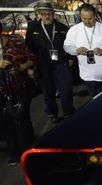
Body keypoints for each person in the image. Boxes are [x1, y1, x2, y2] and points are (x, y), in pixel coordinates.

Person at [26, 1, 75, 123]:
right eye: (44, 14)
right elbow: (29, 48)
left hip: (61, 64)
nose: (47, 16)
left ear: (53, 14)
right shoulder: (33, 29)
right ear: (39, 14)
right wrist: (30, 67)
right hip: (43, 65)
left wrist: (70, 58)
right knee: (48, 92)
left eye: (49, 13)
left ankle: (69, 112)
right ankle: (52, 114)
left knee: (66, 91)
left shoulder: (63, 28)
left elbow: (70, 45)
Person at [63, 3, 102, 98]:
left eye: (90, 18)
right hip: (87, 75)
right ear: (80, 16)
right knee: (93, 100)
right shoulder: (74, 30)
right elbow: (67, 47)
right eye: (84, 18)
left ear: (95, 15)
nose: (87, 21)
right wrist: (76, 50)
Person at [0, 25, 36, 165]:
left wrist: (22, 67)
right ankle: (14, 153)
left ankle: (29, 151)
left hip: (19, 87)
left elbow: (32, 58)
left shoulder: (15, 42)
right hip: (2, 91)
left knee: (22, 119)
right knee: (6, 122)